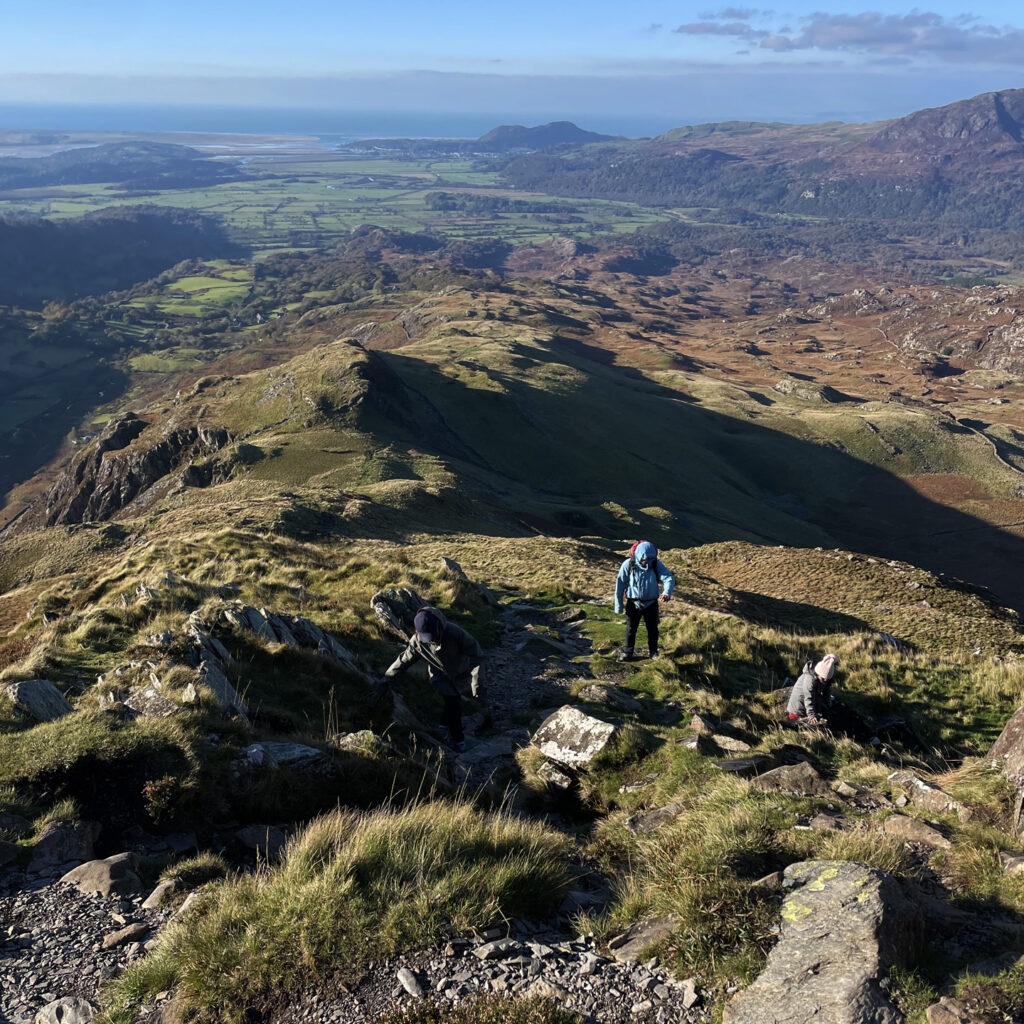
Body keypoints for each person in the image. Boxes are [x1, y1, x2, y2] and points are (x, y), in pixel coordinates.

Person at [382, 607, 482, 753]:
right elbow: (403, 661)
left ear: (438, 625)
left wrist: (476, 681)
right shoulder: (417, 642)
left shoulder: (455, 633)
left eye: (432, 635)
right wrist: (386, 679)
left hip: (461, 672)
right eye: (426, 637)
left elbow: (476, 655)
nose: (431, 640)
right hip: (439, 676)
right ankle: (459, 742)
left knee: (454, 700)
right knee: (453, 703)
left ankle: (443, 726)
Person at [613, 541, 675, 661]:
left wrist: (667, 592)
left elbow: (668, 577)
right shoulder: (628, 564)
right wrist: (618, 606)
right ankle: (627, 653)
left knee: (652, 629)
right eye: (645, 559)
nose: (647, 561)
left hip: (651, 603)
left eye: (650, 559)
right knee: (631, 629)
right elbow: (620, 585)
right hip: (633, 602)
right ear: (639, 555)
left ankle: (653, 652)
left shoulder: (656, 564)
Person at [787, 654, 838, 725]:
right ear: (818, 673)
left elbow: (827, 691)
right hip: (798, 709)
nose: (824, 681)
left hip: (811, 701)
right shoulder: (809, 679)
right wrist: (811, 715)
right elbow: (808, 697)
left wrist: (828, 706)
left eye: (827, 679)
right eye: (823, 678)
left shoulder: (824, 678)